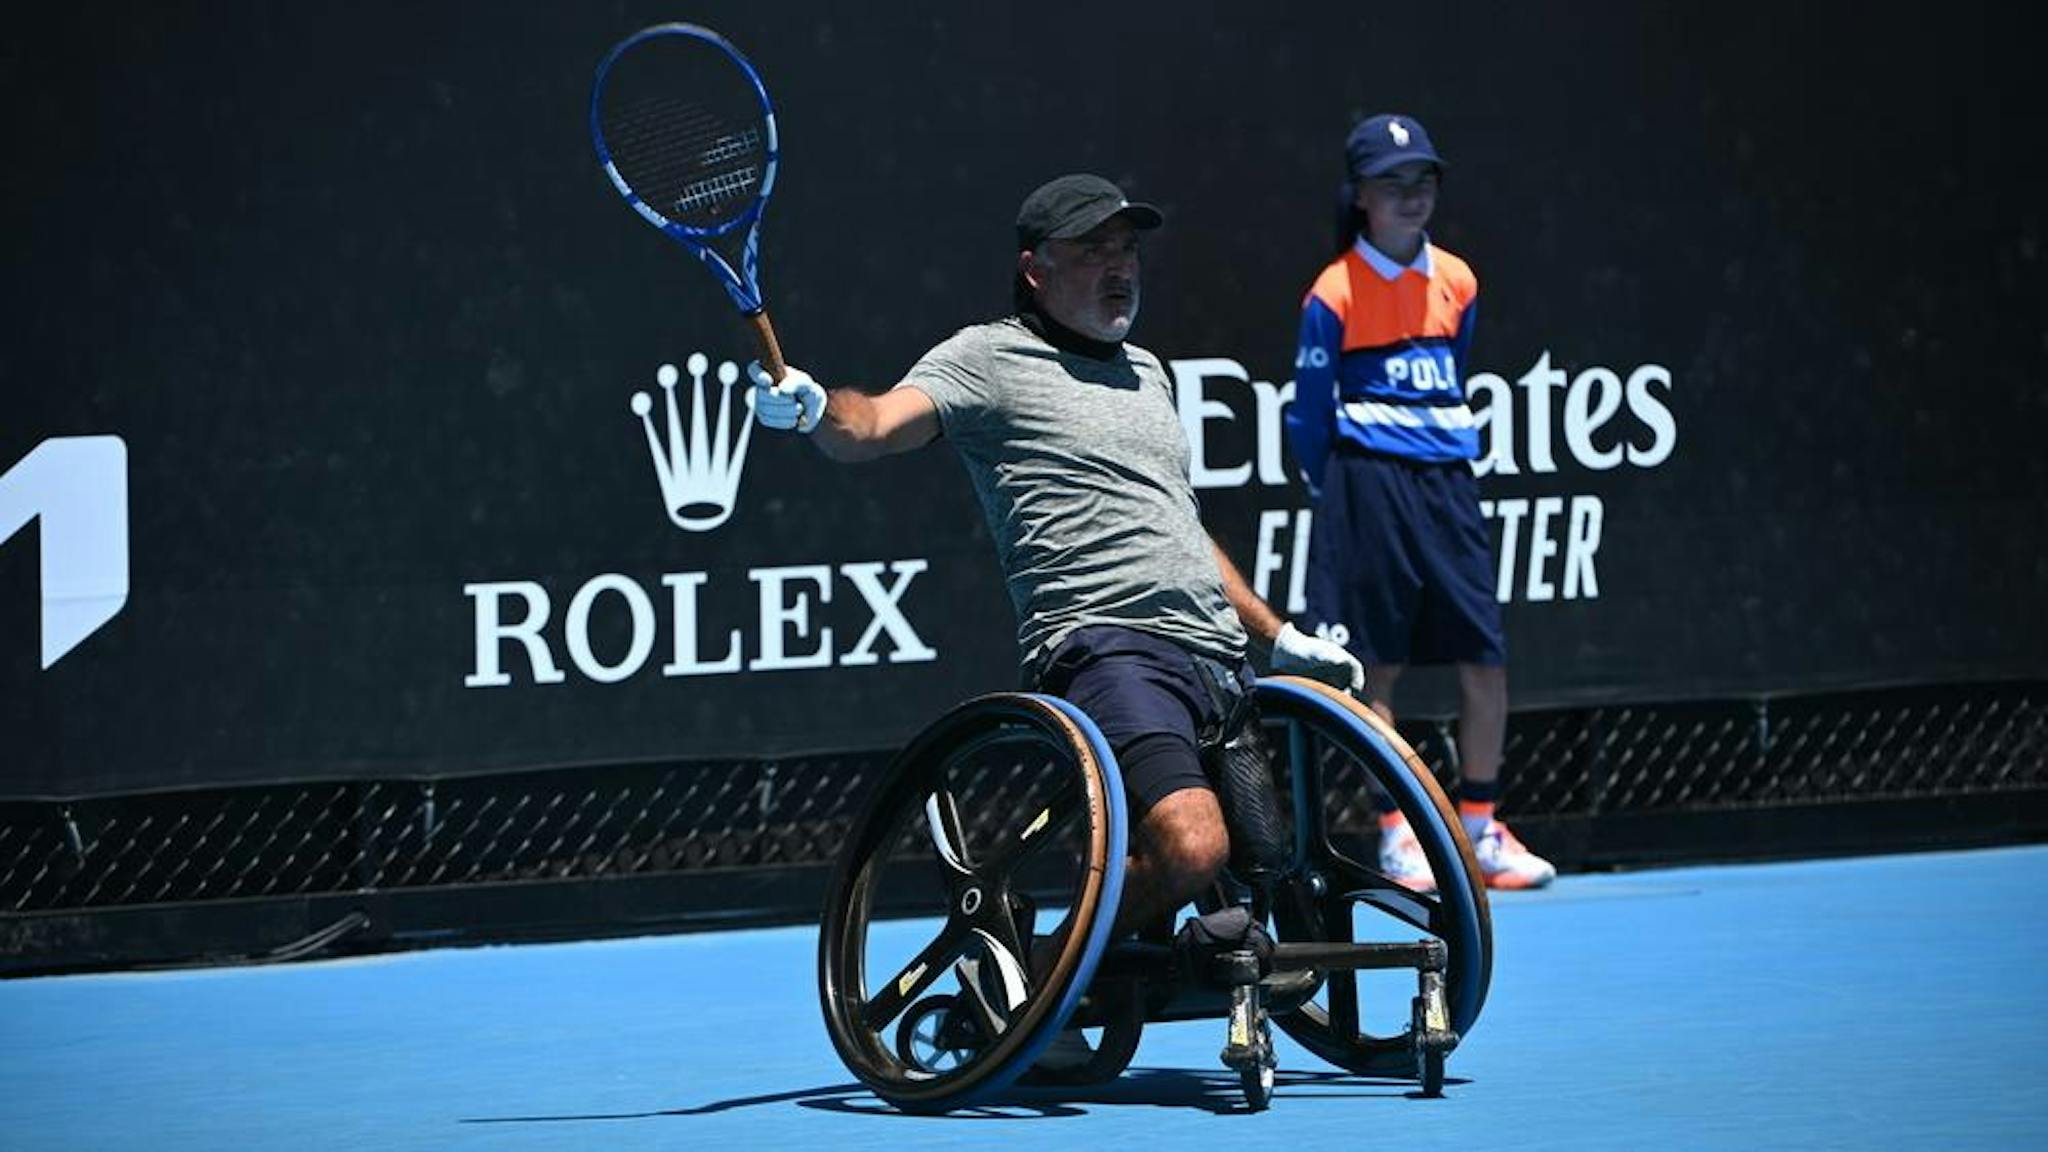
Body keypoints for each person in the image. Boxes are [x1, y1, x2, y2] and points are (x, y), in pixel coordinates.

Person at [747, 172, 1363, 951]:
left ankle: (1105, 969)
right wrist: (814, 410)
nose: (1121, 267)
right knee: (1194, 848)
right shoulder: (986, 358)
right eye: (1094, 249)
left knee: (1267, 864)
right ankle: (1043, 967)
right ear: (1036, 269)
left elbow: (1179, 526)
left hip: (1215, 658)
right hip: (1105, 647)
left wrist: (1278, 637)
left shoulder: (1148, 372)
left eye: (1128, 248)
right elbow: (871, 426)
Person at [1286, 114, 1556, 892]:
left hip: (1449, 488)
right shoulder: (1332, 292)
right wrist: (1338, 488)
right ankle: (1398, 835)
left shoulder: (1460, 280)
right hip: (1367, 485)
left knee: (1486, 655)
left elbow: (1456, 370)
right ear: (1361, 196)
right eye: (1392, 184)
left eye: (1423, 181)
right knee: (1377, 666)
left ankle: (1480, 826)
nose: (1411, 197)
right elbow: (1308, 414)